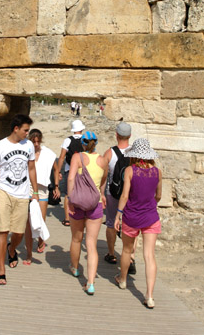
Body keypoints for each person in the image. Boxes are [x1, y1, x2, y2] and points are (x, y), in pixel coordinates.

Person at [0, 114, 38, 286]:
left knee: (19, 232)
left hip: (22, 193)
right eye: (25, 130)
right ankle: (1, 271)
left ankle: (12, 248)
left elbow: (31, 168)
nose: (27, 133)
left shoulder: (29, 145)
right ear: (16, 129)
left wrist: (35, 191)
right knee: (2, 230)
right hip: (3, 191)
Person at [114, 138, 162, 309]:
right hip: (150, 217)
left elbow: (125, 195)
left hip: (132, 216)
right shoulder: (157, 171)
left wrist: (118, 214)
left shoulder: (129, 170)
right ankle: (149, 295)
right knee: (149, 255)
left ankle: (123, 279)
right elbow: (158, 196)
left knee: (127, 250)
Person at [67, 131, 108, 296]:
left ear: (83, 143)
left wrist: (70, 198)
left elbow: (70, 179)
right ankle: (90, 283)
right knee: (91, 244)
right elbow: (104, 180)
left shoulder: (77, 157)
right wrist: (102, 194)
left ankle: (75, 268)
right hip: (95, 204)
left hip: (77, 203)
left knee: (76, 238)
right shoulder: (102, 160)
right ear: (96, 143)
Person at [23, 129, 57, 263]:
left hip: (42, 189)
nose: (36, 144)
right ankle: (28, 254)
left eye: (38, 141)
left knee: (41, 218)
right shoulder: (25, 152)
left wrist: (56, 185)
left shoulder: (47, 153)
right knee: (28, 222)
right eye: (34, 141)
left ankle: (41, 240)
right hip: (28, 188)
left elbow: (55, 168)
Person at [102, 122, 132, 267]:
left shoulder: (110, 152)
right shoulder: (135, 153)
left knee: (110, 223)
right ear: (130, 136)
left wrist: (101, 193)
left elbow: (103, 174)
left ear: (116, 135)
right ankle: (130, 255)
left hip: (113, 193)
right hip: (131, 195)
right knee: (131, 225)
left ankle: (112, 253)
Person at [53, 119, 85, 227]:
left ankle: (67, 218)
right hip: (82, 170)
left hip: (69, 169)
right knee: (81, 193)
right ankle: (80, 216)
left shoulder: (68, 140)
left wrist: (58, 170)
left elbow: (62, 157)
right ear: (81, 129)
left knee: (68, 194)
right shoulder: (86, 140)